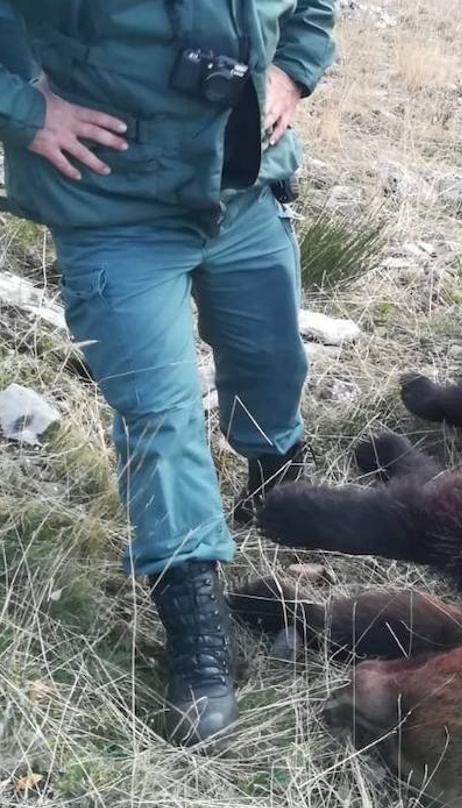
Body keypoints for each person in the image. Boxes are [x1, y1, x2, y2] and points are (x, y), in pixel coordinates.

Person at [0, 1, 337, 743]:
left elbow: (311, 8)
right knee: (160, 414)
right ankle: (196, 628)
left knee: (271, 367)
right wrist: (26, 110)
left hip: (243, 193)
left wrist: (291, 73)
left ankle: (274, 484)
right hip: (112, 207)